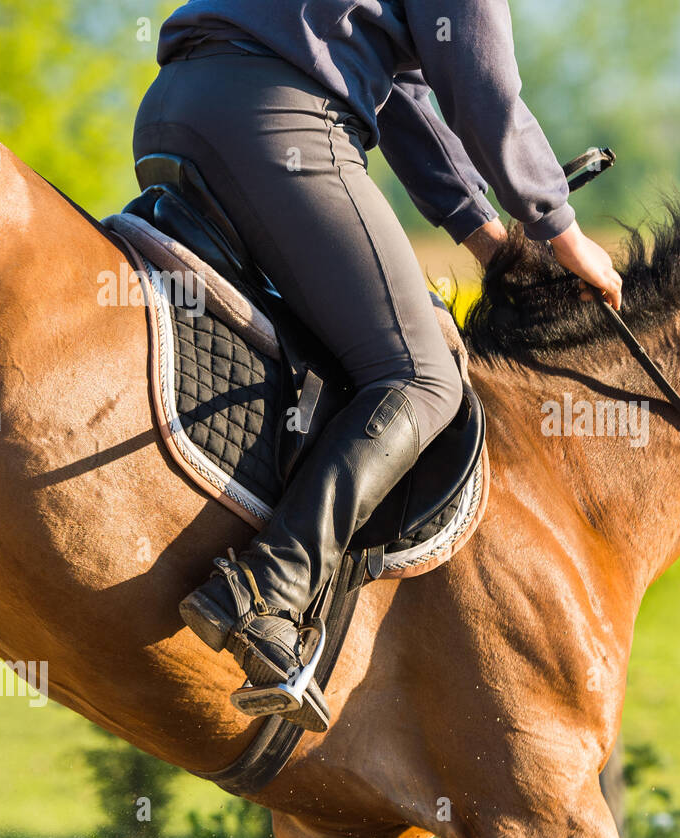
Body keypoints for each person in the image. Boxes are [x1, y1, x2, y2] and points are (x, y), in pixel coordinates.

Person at [136, 1, 623, 731]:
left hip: (179, 110)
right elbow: (483, 88)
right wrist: (560, 229)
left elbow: (409, 102)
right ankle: (269, 588)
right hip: (281, 123)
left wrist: (493, 244)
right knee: (422, 378)